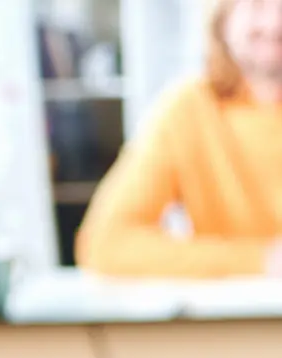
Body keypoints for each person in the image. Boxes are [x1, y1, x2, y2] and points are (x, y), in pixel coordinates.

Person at [75, 0, 282, 278]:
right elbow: (105, 243)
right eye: (257, 5)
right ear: (223, 18)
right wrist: (263, 260)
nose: (274, 23)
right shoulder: (189, 111)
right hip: (235, 316)